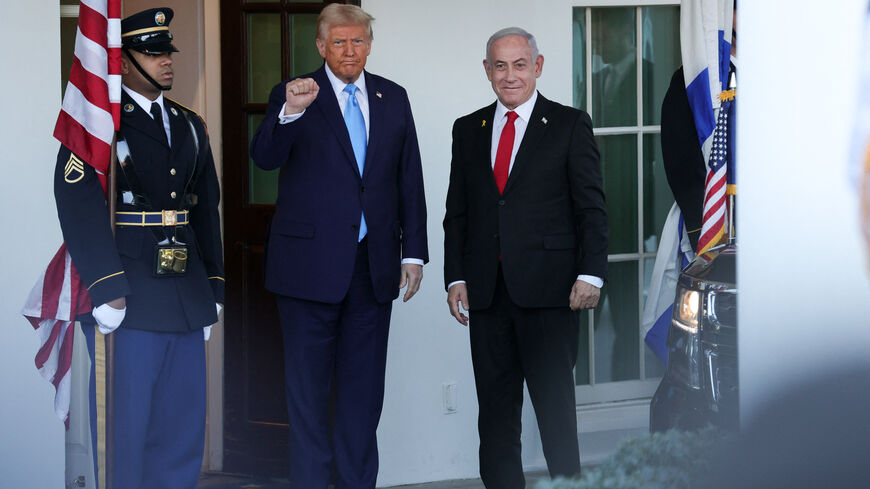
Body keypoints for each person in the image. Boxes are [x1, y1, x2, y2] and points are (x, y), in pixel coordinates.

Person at [249, 4, 428, 488]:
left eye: (359, 41)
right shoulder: (294, 95)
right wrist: (289, 112)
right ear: (320, 45)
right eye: (339, 42)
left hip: (373, 269)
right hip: (307, 271)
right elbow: (264, 158)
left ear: (369, 44)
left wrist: (413, 252)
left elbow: (407, 177)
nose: (350, 51)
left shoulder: (393, 97)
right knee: (307, 396)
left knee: (362, 396)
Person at [53, 7, 224, 489]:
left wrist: (212, 287)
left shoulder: (189, 123)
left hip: (186, 296)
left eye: (166, 51)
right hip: (128, 295)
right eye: (152, 53)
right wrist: (106, 286)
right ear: (123, 62)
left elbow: (204, 209)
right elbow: (78, 200)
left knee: (181, 430)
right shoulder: (98, 123)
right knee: (125, 434)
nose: (166, 60)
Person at [443, 27, 608, 488]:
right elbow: (457, 212)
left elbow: (591, 208)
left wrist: (591, 273)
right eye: (500, 65)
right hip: (487, 295)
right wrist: (455, 277)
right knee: (495, 416)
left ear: (537, 67)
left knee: (556, 414)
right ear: (487, 71)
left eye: (519, 64)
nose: (509, 75)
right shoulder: (467, 129)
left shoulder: (571, 124)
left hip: (552, 293)